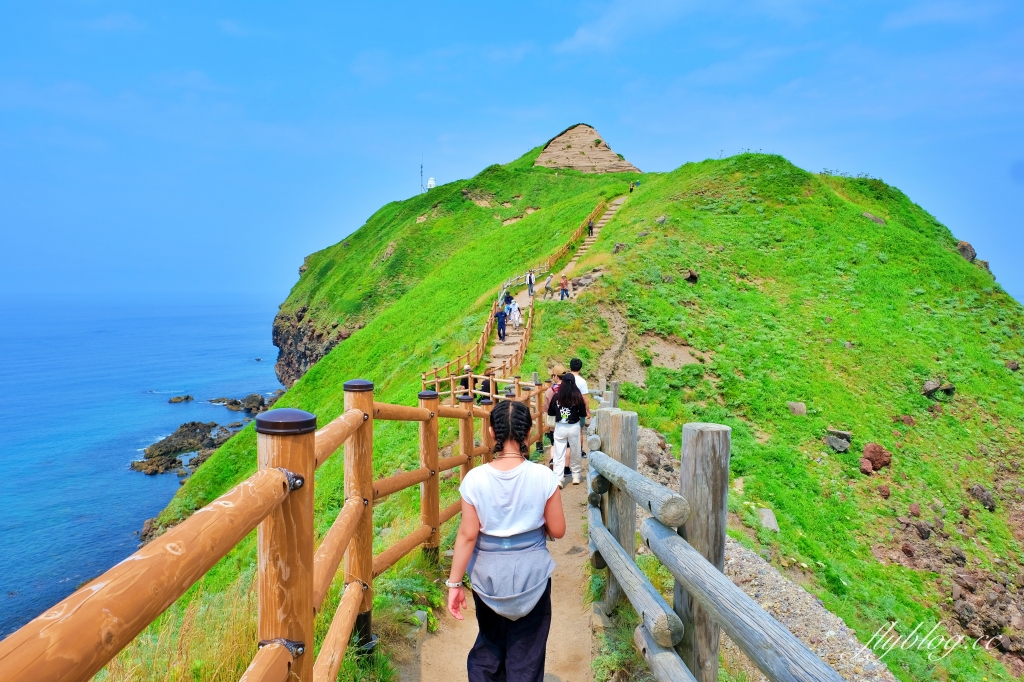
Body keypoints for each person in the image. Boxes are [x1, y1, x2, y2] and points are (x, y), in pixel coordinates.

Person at [447, 400, 566, 682]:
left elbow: (467, 535)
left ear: (491, 433)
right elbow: (558, 530)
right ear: (528, 434)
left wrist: (454, 585)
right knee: (527, 653)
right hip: (532, 576)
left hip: (487, 577)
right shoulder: (543, 476)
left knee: (489, 645)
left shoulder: (474, 479)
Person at [547, 373, 587, 486]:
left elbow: (551, 412)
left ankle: (558, 478)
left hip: (560, 427)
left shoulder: (557, 396)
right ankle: (576, 476)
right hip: (574, 427)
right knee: (575, 451)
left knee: (559, 453)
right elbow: (582, 413)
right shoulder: (577, 396)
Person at [569, 358, 591, 456]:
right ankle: (580, 451)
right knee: (579, 431)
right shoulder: (582, 381)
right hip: (579, 409)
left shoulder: (566, 380)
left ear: (570, 367)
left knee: (567, 428)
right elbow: (585, 398)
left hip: (566, 408)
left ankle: (568, 450)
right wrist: (588, 411)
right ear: (580, 368)